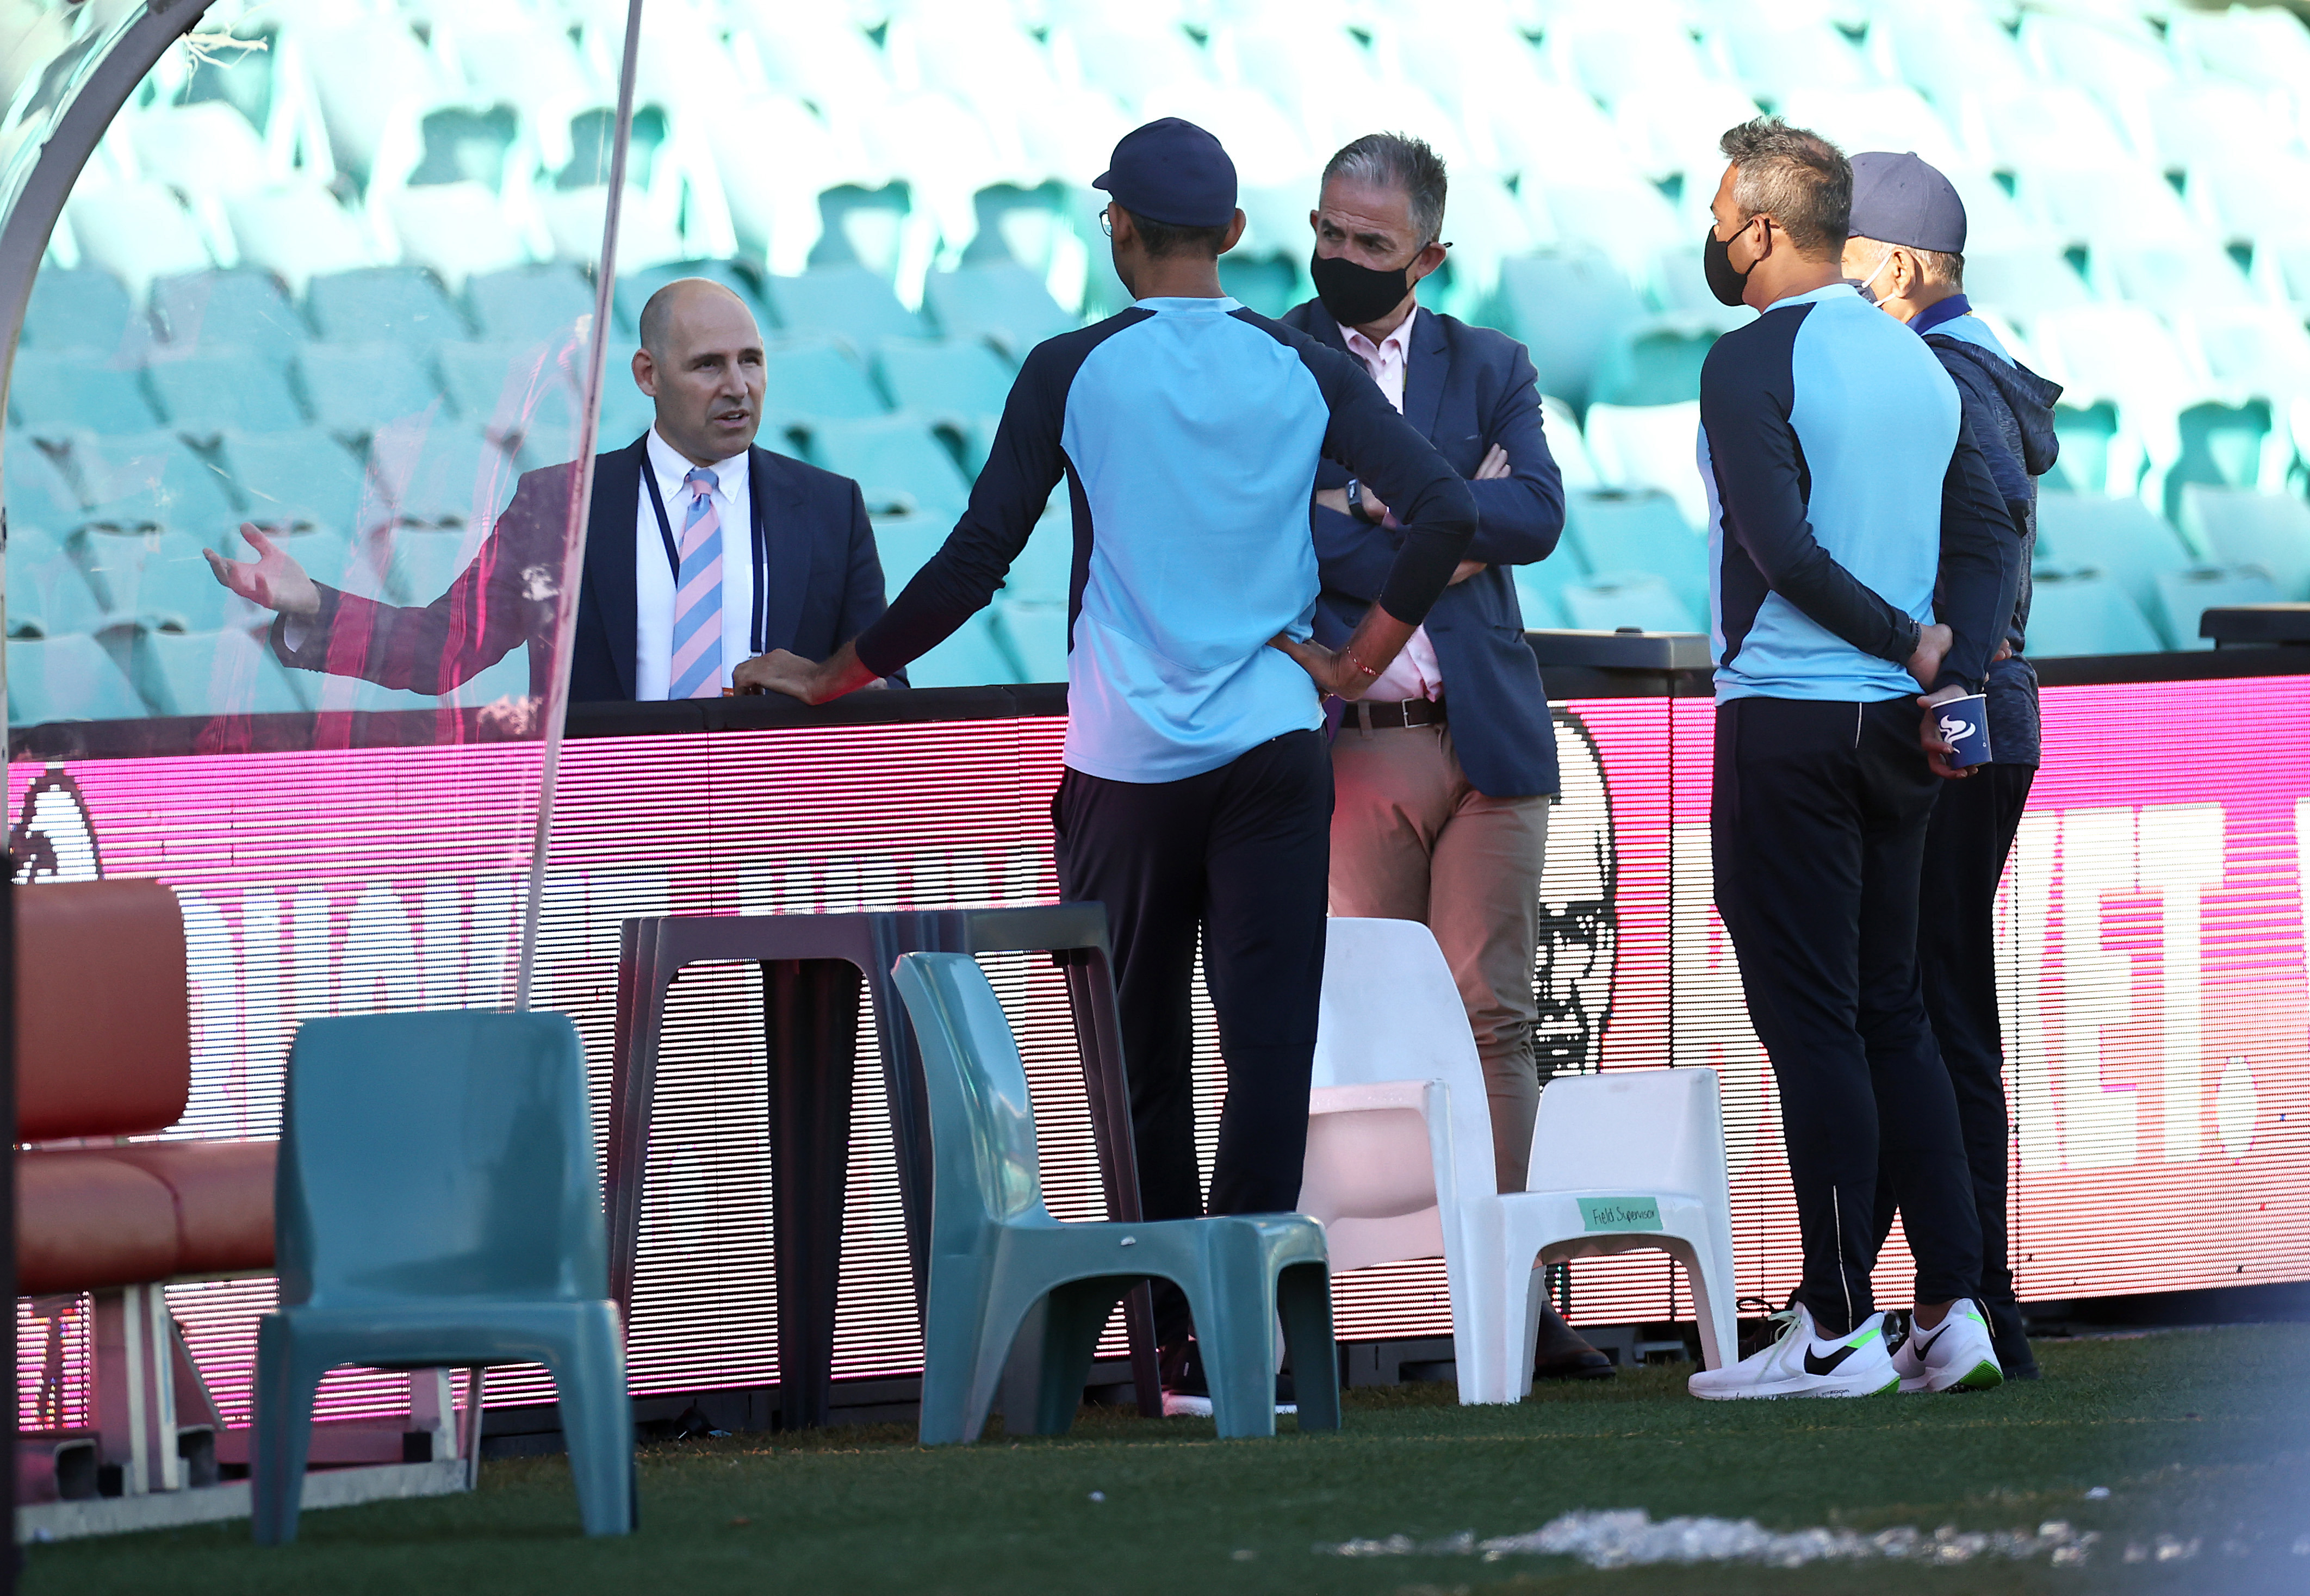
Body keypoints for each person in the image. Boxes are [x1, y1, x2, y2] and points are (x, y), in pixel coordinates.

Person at [737, 118, 1477, 1411]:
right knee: (1264, 1041)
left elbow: (976, 560)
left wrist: (832, 671)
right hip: (1268, 741)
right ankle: (1244, 1335)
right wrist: (1357, 660)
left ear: (1118, 231)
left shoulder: (1071, 368)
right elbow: (1449, 514)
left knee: (1140, 1051)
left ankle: (1172, 1345)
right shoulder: (1299, 363)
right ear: (1237, 239)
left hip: (1128, 756)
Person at [1680, 119, 2019, 1401]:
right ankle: (1953, 1313)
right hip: (1891, 730)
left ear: (1763, 229)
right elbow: (1986, 535)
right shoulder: (1918, 368)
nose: (1712, 236)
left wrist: (1912, 646)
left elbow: (1777, 553)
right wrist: (1947, 677)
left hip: (1789, 718)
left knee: (1815, 1025)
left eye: (1720, 214)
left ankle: (1831, 1324)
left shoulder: (1744, 359)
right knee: (1894, 1020)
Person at [1282, 133, 1607, 1381]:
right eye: (1327, 232)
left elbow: (1538, 512)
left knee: (1494, 1023)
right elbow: (1304, 548)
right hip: (1353, 754)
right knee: (1354, 1032)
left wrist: (1385, 514)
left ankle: (1517, 1301)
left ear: (1429, 253)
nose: (1341, 258)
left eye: (1370, 243)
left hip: (1484, 744)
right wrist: (1434, 519)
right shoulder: (1279, 356)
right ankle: (1334, 1311)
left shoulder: (1491, 362)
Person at [204, 278, 895, 701]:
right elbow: (442, 649)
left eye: (751, 361)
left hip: (772, 856)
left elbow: (888, 693)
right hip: (604, 852)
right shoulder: (560, 507)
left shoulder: (832, 510)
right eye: (709, 365)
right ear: (647, 374)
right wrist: (310, 603)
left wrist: (816, 683)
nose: (738, 387)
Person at [1844, 150, 2063, 1382]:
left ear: (1908, 267)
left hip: (1958, 718)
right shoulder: (1969, 364)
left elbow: (1976, 530)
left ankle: (1974, 1295)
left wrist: (1955, 701)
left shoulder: (1937, 372)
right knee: (1923, 1003)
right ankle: (1925, 1288)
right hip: (1979, 711)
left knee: (1927, 1010)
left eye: (1852, 258)